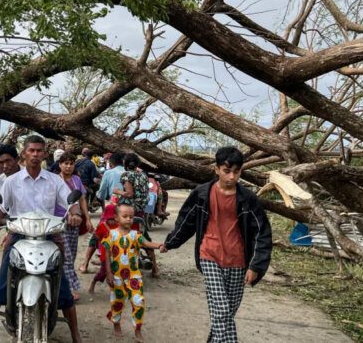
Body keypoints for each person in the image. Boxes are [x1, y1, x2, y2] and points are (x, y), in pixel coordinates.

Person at [161, 147, 272, 343]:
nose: (231, 177)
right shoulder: (202, 194)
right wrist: (170, 242)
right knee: (221, 309)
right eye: (226, 171)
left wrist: (256, 266)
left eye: (236, 172)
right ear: (216, 169)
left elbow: (263, 233)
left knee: (227, 313)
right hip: (209, 255)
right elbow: (186, 221)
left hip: (238, 261)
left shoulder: (248, 199)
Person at [0, 135, 84, 343]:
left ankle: (76, 334)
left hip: (49, 236)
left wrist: (75, 214)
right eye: (31, 151)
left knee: (63, 287)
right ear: (24, 154)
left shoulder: (55, 181)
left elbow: (70, 201)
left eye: (39, 151)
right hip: (19, 236)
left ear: (44, 154)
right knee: (1, 285)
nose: (35, 154)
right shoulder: (11, 182)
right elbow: (0, 206)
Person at [103, 203, 164, 342]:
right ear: (116, 218)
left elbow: (147, 243)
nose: (129, 219)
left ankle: (137, 329)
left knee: (139, 302)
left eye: (131, 216)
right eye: (125, 216)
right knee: (117, 302)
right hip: (116, 276)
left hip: (133, 276)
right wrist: (108, 273)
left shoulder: (136, 235)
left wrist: (159, 245)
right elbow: (106, 254)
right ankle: (116, 323)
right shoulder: (111, 235)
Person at [113, 153, 159, 278]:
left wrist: (117, 191)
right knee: (144, 239)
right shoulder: (143, 175)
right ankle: (155, 268)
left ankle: (107, 262)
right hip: (140, 213)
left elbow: (129, 193)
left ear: (125, 164)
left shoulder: (126, 175)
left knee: (111, 233)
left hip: (128, 212)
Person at [57, 152, 93, 302]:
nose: (68, 166)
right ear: (60, 164)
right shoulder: (54, 180)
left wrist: (87, 218)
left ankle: (62, 285)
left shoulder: (77, 180)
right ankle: (71, 288)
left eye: (71, 163)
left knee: (71, 253)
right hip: (59, 221)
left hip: (76, 221)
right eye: (65, 163)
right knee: (66, 255)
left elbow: (82, 200)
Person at [87, 204, 117, 294]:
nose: (111, 221)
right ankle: (93, 282)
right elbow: (97, 237)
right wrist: (93, 232)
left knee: (116, 272)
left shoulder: (119, 226)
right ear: (106, 218)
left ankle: (114, 289)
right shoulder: (102, 226)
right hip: (105, 255)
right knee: (103, 272)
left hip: (117, 255)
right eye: (110, 219)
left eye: (113, 219)